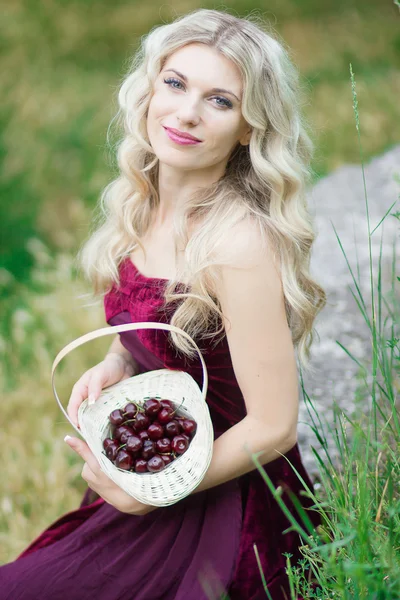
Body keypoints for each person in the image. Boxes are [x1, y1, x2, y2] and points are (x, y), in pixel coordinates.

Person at [0, 8, 327, 599]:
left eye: (220, 101)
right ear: (150, 88)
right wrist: (120, 363)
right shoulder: (144, 202)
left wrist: (157, 490)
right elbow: (165, 331)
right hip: (160, 460)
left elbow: (276, 425)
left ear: (250, 127)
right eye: (175, 84)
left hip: (224, 500)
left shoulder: (238, 243)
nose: (186, 113)